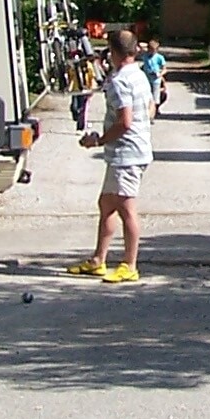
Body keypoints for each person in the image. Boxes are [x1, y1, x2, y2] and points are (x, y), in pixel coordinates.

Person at [68, 29, 153, 283]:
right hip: (133, 149)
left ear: (114, 53)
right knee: (106, 204)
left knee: (126, 208)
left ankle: (130, 264)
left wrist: (98, 139)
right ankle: (98, 260)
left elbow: (124, 121)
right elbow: (150, 109)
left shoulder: (119, 81)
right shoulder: (139, 75)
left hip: (126, 154)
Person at [139, 34, 169, 115]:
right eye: (150, 49)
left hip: (156, 79)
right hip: (146, 78)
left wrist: (160, 74)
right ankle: (147, 111)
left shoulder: (159, 57)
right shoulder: (145, 56)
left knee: (155, 97)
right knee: (146, 95)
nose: (152, 51)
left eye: (154, 50)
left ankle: (154, 111)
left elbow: (164, 69)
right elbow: (140, 46)